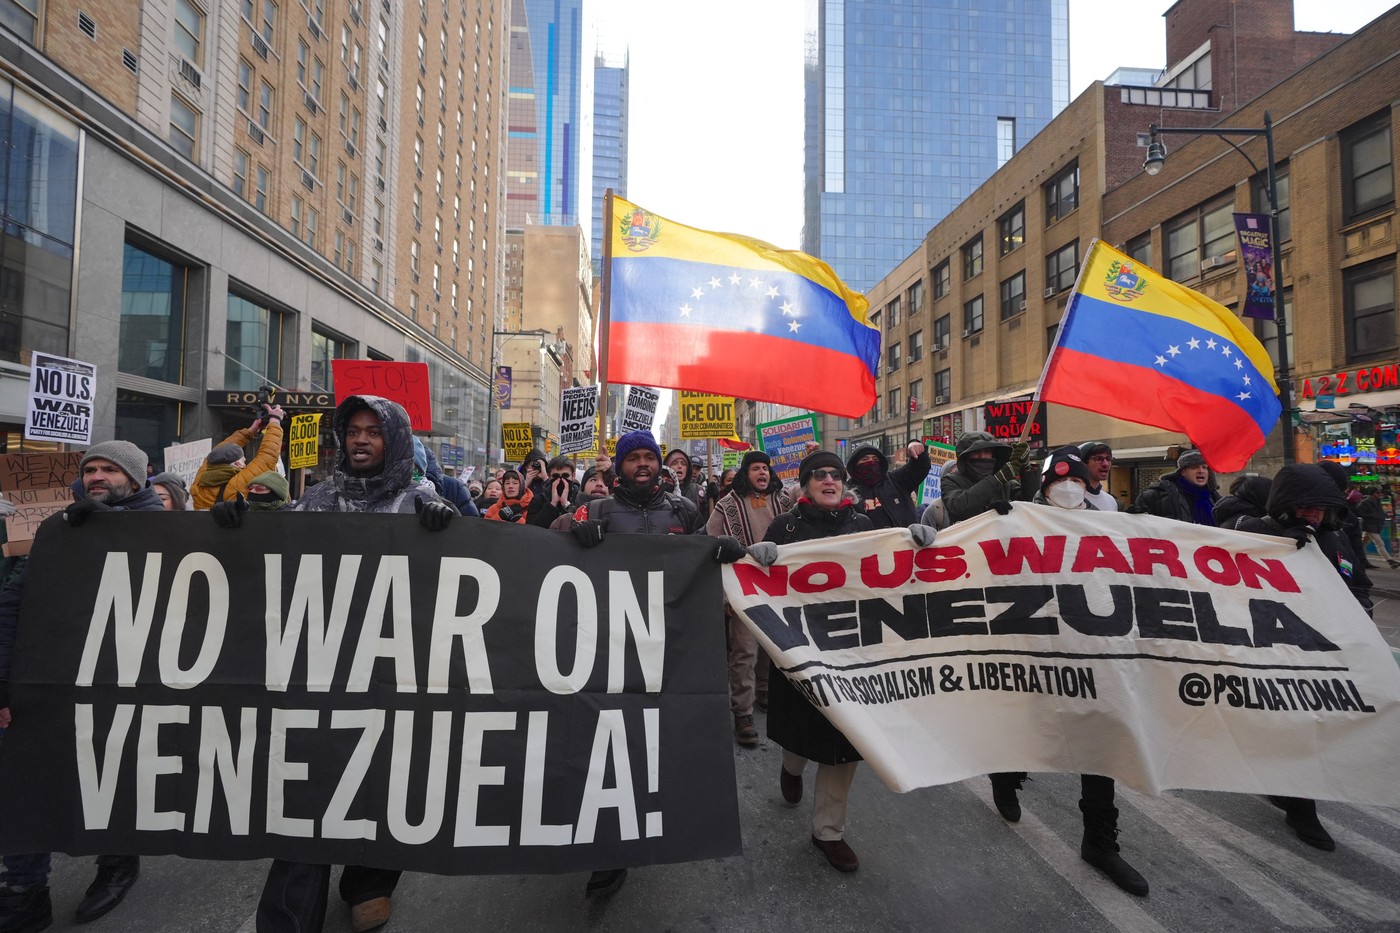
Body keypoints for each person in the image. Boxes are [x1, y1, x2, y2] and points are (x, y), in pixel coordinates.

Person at [241, 395, 455, 933]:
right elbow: (271, 562)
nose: (360, 440)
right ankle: (290, 916)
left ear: (395, 440)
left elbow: (459, 584)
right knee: (309, 791)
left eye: (373, 432)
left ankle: (370, 882)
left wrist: (448, 533)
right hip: (321, 672)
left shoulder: (420, 501)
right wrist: (232, 526)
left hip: (393, 673)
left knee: (382, 783)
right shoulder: (315, 500)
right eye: (353, 430)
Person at [558, 430, 732, 898]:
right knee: (607, 741)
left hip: (665, 645)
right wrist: (572, 531)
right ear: (619, 467)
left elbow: (699, 561)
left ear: (660, 466)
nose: (642, 464)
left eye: (648, 457)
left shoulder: (683, 511)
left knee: (654, 741)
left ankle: (654, 819)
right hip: (607, 646)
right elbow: (546, 547)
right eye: (632, 457)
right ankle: (609, 851)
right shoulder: (594, 509)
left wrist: (723, 554)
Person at [0, 441, 165, 931]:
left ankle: (118, 862)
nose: (97, 476)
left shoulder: (170, 530)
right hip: (55, 679)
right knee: (24, 781)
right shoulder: (61, 528)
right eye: (90, 468)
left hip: (131, 683)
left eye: (109, 469)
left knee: (113, 777)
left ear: (136, 480)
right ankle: (24, 891)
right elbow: (14, 604)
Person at [746, 450, 935, 874]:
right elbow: (761, 579)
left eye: (835, 475)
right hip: (802, 646)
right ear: (806, 485)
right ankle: (791, 765)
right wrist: (757, 556)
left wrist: (919, 540)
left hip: (852, 649)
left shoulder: (864, 524)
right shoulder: (786, 526)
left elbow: (894, 565)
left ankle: (827, 831)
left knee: (843, 741)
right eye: (819, 476)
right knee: (802, 732)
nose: (829, 481)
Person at [998, 447, 1149, 896]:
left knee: (1100, 742)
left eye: (1078, 482)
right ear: (1044, 489)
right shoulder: (1018, 519)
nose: (1068, 488)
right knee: (1034, 724)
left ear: (1088, 487)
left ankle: (1099, 842)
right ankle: (1007, 777)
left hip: (1096, 647)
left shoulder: (1112, 524)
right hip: (1037, 645)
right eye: (1059, 483)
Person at [1236, 463, 1368, 851]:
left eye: (1320, 508)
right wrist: (1277, 549)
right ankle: (1299, 805)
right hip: (1271, 648)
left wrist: (1357, 614)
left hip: (1325, 649)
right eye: (1306, 506)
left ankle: (1289, 791)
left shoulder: (1337, 537)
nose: (1313, 514)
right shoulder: (1253, 531)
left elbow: (1358, 581)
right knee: (1290, 725)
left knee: (1316, 726)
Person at [707, 450, 794, 744]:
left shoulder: (784, 501)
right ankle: (742, 711)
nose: (762, 473)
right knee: (744, 650)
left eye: (766, 468)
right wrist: (723, 596)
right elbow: (711, 546)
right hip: (742, 587)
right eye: (756, 468)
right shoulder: (727, 504)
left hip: (777, 587)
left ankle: (765, 690)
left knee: (773, 646)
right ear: (746, 473)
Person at [191, 402, 286, 510]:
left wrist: (250, 432)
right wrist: (275, 421)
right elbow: (267, 457)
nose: (245, 465)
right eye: (243, 461)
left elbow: (219, 451)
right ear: (237, 464)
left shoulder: (201, 480)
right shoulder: (237, 485)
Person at [940, 432, 1038, 524]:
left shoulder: (1006, 484)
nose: (982, 456)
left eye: (987, 451)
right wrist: (988, 511)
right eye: (976, 451)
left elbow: (1031, 502)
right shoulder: (951, 480)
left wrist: (1026, 469)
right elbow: (958, 506)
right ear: (966, 456)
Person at [844, 440, 930, 528]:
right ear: (855, 465)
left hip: (904, 540)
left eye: (875, 459)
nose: (871, 462)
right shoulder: (847, 492)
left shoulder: (896, 480)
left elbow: (918, 468)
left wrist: (918, 451)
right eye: (865, 459)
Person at [1132, 449, 1218, 525]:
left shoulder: (1215, 498)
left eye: (1204, 467)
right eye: (1194, 467)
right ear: (1183, 472)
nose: (1201, 471)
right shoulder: (1158, 495)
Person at [527, 456, 579, 527]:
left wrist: (566, 505)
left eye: (565, 475)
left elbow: (579, 527)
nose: (560, 479)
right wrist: (552, 505)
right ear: (549, 476)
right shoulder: (538, 500)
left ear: (573, 476)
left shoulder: (580, 499)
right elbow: (531, 529)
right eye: (556, 476)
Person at [1358, 488, 1399, 568]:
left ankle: (1356, 555)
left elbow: (1380, 512)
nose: (1380, 494)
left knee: (1362, 543)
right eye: (1378, 492)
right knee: (1379, 543)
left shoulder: (1378, 502)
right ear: (1372, 493)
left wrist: (1384, 516)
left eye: (1380, 492)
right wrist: (1372, 516)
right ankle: (1390, 561)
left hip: (1376, 525)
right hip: (1370, 526)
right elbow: (1359, 512)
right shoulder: (1365, 502)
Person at [1078, 441, 1118, 511]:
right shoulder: (1071, 498)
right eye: (1098, 459)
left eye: (1108, 459)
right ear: (1083, 463)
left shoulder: (1111, 501)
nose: (1105, 464)